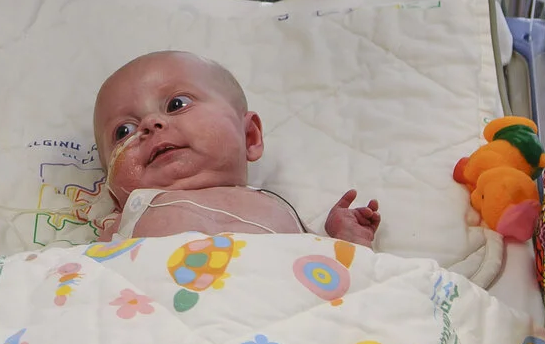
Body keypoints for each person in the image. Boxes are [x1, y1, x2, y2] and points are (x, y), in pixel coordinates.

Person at [91, 51, 382, 245]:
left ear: (250, 137)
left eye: (176, 104)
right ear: (113, 192)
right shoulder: (124, 222)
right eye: (123, 131)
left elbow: (325, 277)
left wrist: (341, 238)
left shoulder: (275, 207)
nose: (150, 124)